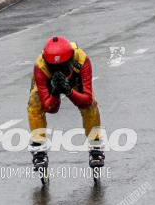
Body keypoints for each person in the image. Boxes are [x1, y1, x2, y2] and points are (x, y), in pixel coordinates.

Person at [27, 36, 104, 170]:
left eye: (62, 66)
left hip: (74, 79)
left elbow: (86, 100)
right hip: (49, 83)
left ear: (71, 59)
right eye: (53, 66)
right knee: (34, 103)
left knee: (91, 105)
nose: (58, 70)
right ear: (46, 61)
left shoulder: (82, 59)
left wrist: (69, 91)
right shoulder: (40, 66)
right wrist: (55, 93)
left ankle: (95, 144)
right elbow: (49, 108)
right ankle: (38, 147)